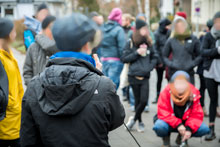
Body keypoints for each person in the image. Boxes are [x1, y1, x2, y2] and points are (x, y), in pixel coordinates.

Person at [20, 13, 125, 147]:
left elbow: (28, 138)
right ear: (87, 45)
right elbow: (117, 120)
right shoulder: (103, 84)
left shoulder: (34, 85)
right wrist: (98, 75)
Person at [153, 71, 210, 147]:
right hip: (169, 123)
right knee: (159, 126)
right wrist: (178, 124)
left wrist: (189, 129)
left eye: (183, 83)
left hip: (186, 123)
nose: (180, 86)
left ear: (187, 84)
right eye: (178, 83)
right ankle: (166, 139)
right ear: (173, 83)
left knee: (204, 129)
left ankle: (182, 138)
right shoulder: (166, 92)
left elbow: (196, 115)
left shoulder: (193, 94)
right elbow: (163, 112)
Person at [121, 19, 158, 132]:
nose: (146, 31)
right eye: (144, 29)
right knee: (137, 101)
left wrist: (149, 67)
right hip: (133, 76)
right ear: (138, 30)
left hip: (145, 76)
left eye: (146, 29)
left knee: (143, 101)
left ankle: (133, 120)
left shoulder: (149, 42)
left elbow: (155, 57)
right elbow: (124, 58)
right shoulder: (130, 42)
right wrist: (137, 53)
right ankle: (140, 122)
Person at [0, 18, 24, 147]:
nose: (15, 33)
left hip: (15, 119)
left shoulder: (8, 54)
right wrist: (11, 103)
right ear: (8, 33)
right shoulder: (0, 57)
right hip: (6, 122)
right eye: (13, 30)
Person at [163, 16, 201, 83]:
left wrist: (192, 64)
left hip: (189, 73)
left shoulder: (193, 39)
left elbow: (200, 54)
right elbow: (164, 56)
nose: (180, 28)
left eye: (182, 26)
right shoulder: (171, 39)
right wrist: (172, 64)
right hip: (175, 73)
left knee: (189, 93)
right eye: (178, 27)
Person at [23, 15, 58, 86]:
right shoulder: (33, 48)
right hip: (37, 94)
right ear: (43, 29)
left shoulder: (62, 48)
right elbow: (27, 73)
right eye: (51, 28)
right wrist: (35, 88)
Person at [202, 11, 220, 141]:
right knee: (213, 100)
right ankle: (211, 130)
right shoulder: (208, 36)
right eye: (217, 22)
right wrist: (217, 51)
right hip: (210, 71)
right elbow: (203, 52)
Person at [99, 8, 126, 89]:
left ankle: (105, 101)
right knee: (113, 85)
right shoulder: (119, 29)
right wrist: (123, 59)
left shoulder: (102, 28)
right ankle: (111, 101)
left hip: (104, 59)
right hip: (115, 60)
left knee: (105, 84)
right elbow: (122, 47)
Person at [197, 19, 213, 117]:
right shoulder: (204, 37)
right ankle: (202, 107)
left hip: (204, 67)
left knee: (205, 88)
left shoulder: (203, 37)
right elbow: (201, 52)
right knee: (203, 88)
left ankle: (204, 107)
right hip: (204, 67)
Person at [152, 18, 171, 104]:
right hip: (159, 61)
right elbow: (155, 48)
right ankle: (157, 95)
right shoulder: (156, 34)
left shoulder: (169, 33)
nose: (168, 27)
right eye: (167, 25)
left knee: (169, 79)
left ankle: (169, 96)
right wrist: (159, 61)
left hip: (168, 60)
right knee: (159, 79)